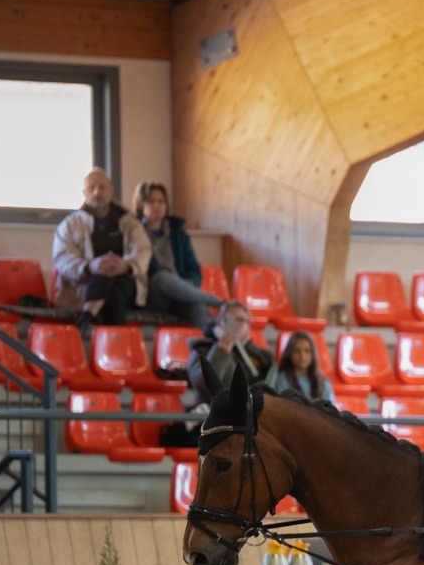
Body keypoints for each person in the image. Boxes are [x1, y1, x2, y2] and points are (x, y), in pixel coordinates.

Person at [52, 167, 149, 327]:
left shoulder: (130, 223)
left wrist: (126, 266)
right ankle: (115, 346)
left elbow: (143, 250)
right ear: (85, 193)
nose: (97, 192)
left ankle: (90, 311)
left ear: (111, 191)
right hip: (83, 287)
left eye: (102, 187)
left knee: (115, 282)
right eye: (92, 188)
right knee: (113, 291)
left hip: (126, 283)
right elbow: (62, 259)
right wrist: (89, 267)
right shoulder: (69, 225)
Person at [133, 182, 224, 331]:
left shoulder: (179, 234)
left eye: (161, 201)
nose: (157, 206)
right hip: (153, 294)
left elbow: (193, 268)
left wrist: (189, 284)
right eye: (151, 201)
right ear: (141, 205)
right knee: (163, 276)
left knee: (197, 305)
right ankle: (218, 303)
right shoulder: (134, 233)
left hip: (180, 292)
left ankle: (220, 342)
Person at [187, 300, 272, 398]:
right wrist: (221, 351)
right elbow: (202, 386)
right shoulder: (202, 349)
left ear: (248, 325)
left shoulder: (260, 355)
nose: (237, 324)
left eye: (242, 320)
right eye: (231, 320)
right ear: (219, 321)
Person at [271, 330, 335, 401]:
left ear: (313, 354)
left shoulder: (323, 382)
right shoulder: (282, 379)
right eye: (297, 351)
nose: (302, 356)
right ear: (289, 354)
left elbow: (330, 409)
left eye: (307, 351)